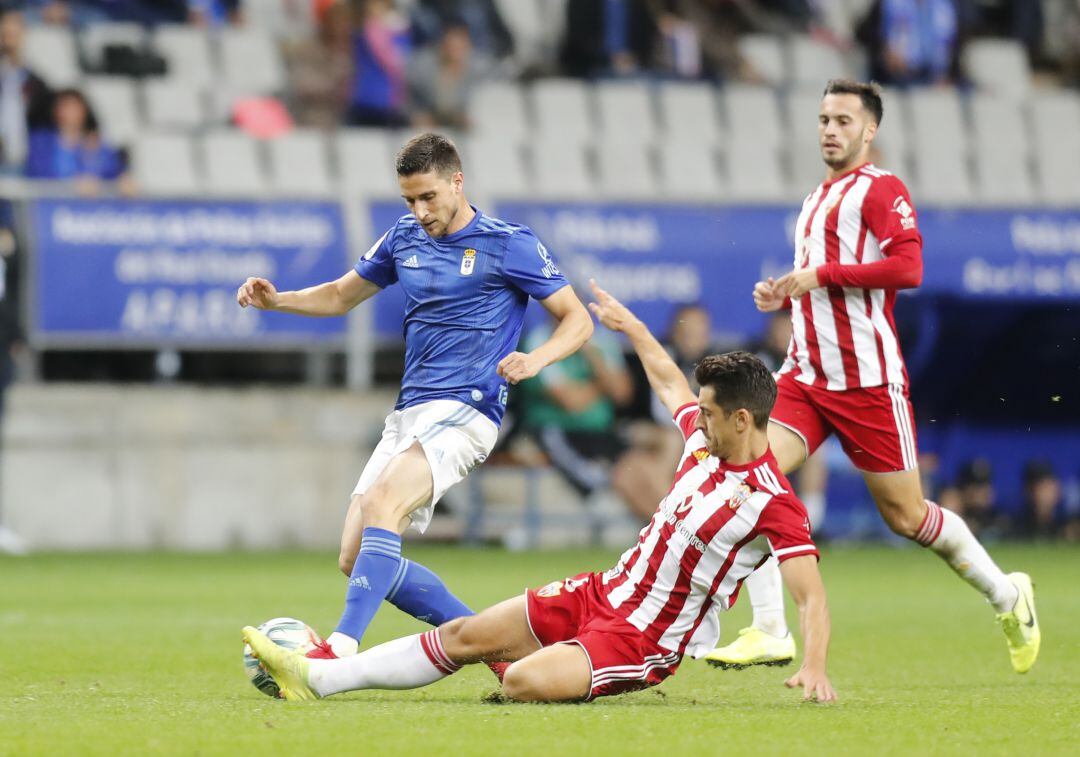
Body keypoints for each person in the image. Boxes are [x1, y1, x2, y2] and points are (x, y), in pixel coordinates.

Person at [242, 282, 836, 704]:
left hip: (641, 638)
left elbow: (809, 595)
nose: (695, 418)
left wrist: (812, 666)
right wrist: (632, 330)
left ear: (741, 419)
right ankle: (318, 678)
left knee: (520, 682)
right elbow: (668, 381)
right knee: (465, 636)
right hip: (599, 591)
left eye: (708, 413)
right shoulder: (702, 444)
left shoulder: (773, 502)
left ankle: (549, 668)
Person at [705, 79, 1040, 675]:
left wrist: (818, 276)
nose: (830, 129)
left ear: (869, 130)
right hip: (806, 376)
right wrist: (784, 290)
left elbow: (908, 267)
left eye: (842, 120)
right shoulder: (814, 199)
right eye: (823, 119)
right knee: (743, 476)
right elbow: (823, 283)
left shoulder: (881, 188)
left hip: (866, 382)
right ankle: (768, 627)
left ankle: (1007, 594)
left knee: (906, 516)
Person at [236, 133, 593, 662]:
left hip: (469, 408)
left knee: (383, 504)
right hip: (411, 411)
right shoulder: (403, 237)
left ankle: (338, 649)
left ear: (457, 181)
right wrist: (279, 300)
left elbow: (577, 318)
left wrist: (535, 360)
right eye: (409, 199)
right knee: (355, 553)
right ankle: (497, 646)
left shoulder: (507, 242)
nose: (420, 211)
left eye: (429, 197)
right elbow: (340, 295)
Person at [519, 312, 666, 522]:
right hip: (562, 432)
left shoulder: (600, 343)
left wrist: (592, 356)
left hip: (602, 432)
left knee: (645, 467)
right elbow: (572, 402)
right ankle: (662, 535)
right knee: (624, 477)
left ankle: (679, 531)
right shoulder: (539, 341)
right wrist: (604, 385)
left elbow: (622, 393)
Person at [24, 88, 129, 193]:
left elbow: (113, 172)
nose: (70, 113)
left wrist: (123, 180)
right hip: (50, 203)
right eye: (65, 107)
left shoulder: (97, 143)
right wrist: (74, 184)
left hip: (86, 206)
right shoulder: (40, 142)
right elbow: (37, 174)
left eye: (75, 108)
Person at [0, 8, 52, 171]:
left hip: (26, 165)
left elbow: (44, 124)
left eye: (17, 26)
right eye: (5, 27)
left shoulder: (35, 82)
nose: (11, 31)